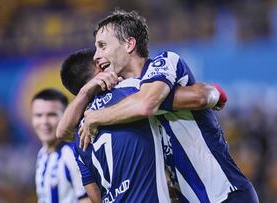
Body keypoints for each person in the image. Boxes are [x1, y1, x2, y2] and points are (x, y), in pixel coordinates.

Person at [78, 9, 259, 203]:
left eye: (102, 46)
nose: (96, 56)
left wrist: (95, 117)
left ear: (129, 44)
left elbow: (146, 104)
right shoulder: (125, 99)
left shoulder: (164, 62)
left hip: (226, 195)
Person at [56, 48, 225, 202]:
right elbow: (199, 97)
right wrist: (218, 93)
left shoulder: (80, 136)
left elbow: (95, 196)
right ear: (100, 68)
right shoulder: (132, 92)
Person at [31, 89, 91, 203]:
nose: (44, 121)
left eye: (51, 115)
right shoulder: (42, 154)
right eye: (38, 115)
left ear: (65, 117)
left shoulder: (72, 154)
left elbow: (88, 199)